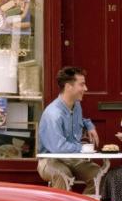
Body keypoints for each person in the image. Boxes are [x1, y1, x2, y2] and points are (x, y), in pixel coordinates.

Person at [37, 66, 101, 194]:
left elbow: (79, 120)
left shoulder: (76, 105)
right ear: (68, 86)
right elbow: (58, 147)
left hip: (71, 157)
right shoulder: (53, 114)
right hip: (49, 159)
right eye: (82, 85)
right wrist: (83, 149)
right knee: (63, 175)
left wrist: (89, 125)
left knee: (98, 174)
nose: (86, 89)